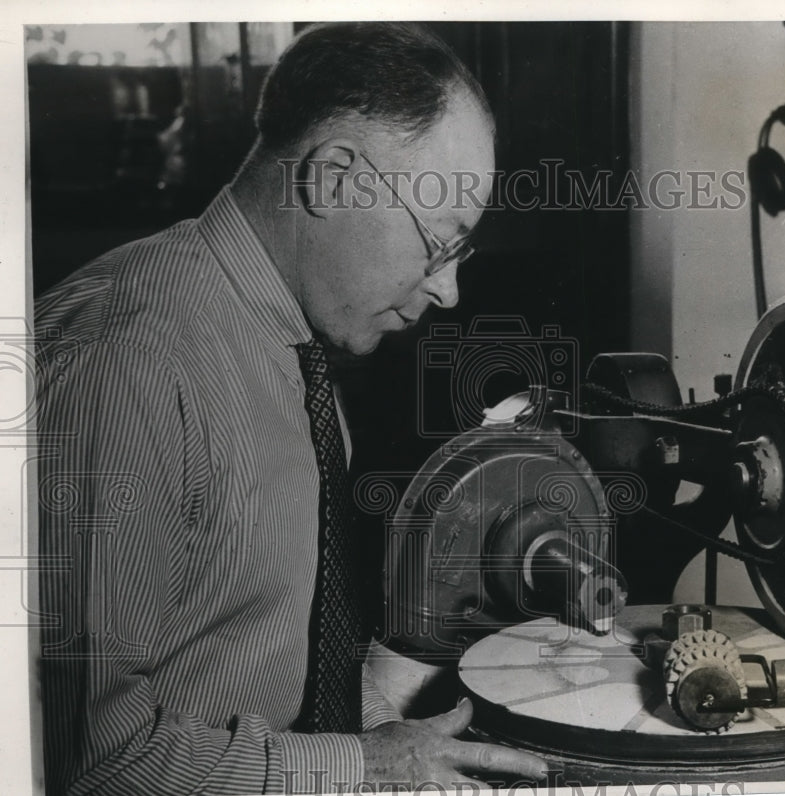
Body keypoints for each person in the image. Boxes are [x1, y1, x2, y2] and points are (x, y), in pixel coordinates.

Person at [35, 22, 547, 795]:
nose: (448, 291)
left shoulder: (296, 350)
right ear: (332, 179)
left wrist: (403, 702)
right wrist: (369, 766)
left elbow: (281, 676)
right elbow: (98, 763)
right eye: (439, 244)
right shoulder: (126, 358)